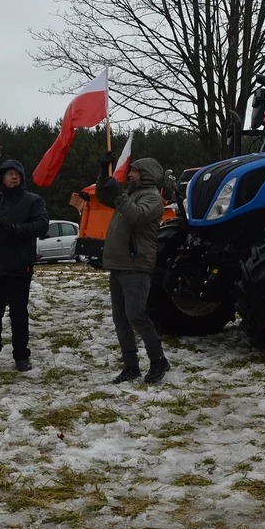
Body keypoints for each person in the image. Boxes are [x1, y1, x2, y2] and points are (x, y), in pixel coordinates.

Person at [95, 153, 169, 384]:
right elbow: (101, 196)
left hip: (136, 266)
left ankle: (158, 360)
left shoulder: (152, 198)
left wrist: (119, 193)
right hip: (119, 265)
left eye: (134, 171)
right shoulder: (130, 194)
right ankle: (131, 366)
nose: (129, 174)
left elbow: (136, 216)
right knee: (121, 319)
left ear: (145, 174)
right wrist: (102, 173)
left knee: (135, 315)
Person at [0, 159, 49, 372]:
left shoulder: (33, 201)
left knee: (18, 313)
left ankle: (21, 355)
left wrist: (14, 229)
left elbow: (42, 226)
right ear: (2, 178)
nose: (14, 176)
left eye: (17, 173)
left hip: (19, 265)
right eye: (9, 174)